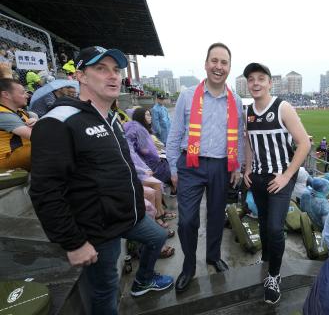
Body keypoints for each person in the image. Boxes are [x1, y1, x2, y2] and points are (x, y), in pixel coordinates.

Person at [29, 46, 173, 314]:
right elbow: (44, 191)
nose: (113, 76)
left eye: (116, 70)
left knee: (157, 236)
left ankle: (143, 281)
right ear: (81, 76)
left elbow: (119, 167)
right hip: (97, 230)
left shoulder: (110, 118)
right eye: (101, 69)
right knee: (105, 292)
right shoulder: (59, 122)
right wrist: (73, 243)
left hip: (128, 215)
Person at [166, 43, 244, 293]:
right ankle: (188, 266)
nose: (218, 67)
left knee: (216, 216)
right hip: (191, 164)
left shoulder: (236, 100)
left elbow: (240, 138)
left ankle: (213, 256)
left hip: (222, 165)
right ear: (206, 63)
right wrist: (173, 168)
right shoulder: (188, 95)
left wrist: (237, 166)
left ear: (229, 67)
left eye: (224, 62)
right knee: (187, 220)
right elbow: (175, 133)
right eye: (214, 61)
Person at [243, 62, 310, 304]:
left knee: (274, 227)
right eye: (251, 79)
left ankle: (274, 275)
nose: (256, 83)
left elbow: (304, 143)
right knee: (262, 223)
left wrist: (286, 175)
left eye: (261, 78)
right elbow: (249, 142)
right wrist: (248, 168)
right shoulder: (248, 111)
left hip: (280, 178)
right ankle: (266, 260)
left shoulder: (283, 107)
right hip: (259, 177)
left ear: (270, 83)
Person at [0, 78, 35, 170]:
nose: (27, 96)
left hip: (20, 154)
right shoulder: (3, 114)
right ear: (6, 95)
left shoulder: (20, 111)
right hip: (5, 159)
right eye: (22, 92)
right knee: (46, 147)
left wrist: (37, 123)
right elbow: (36, 135)